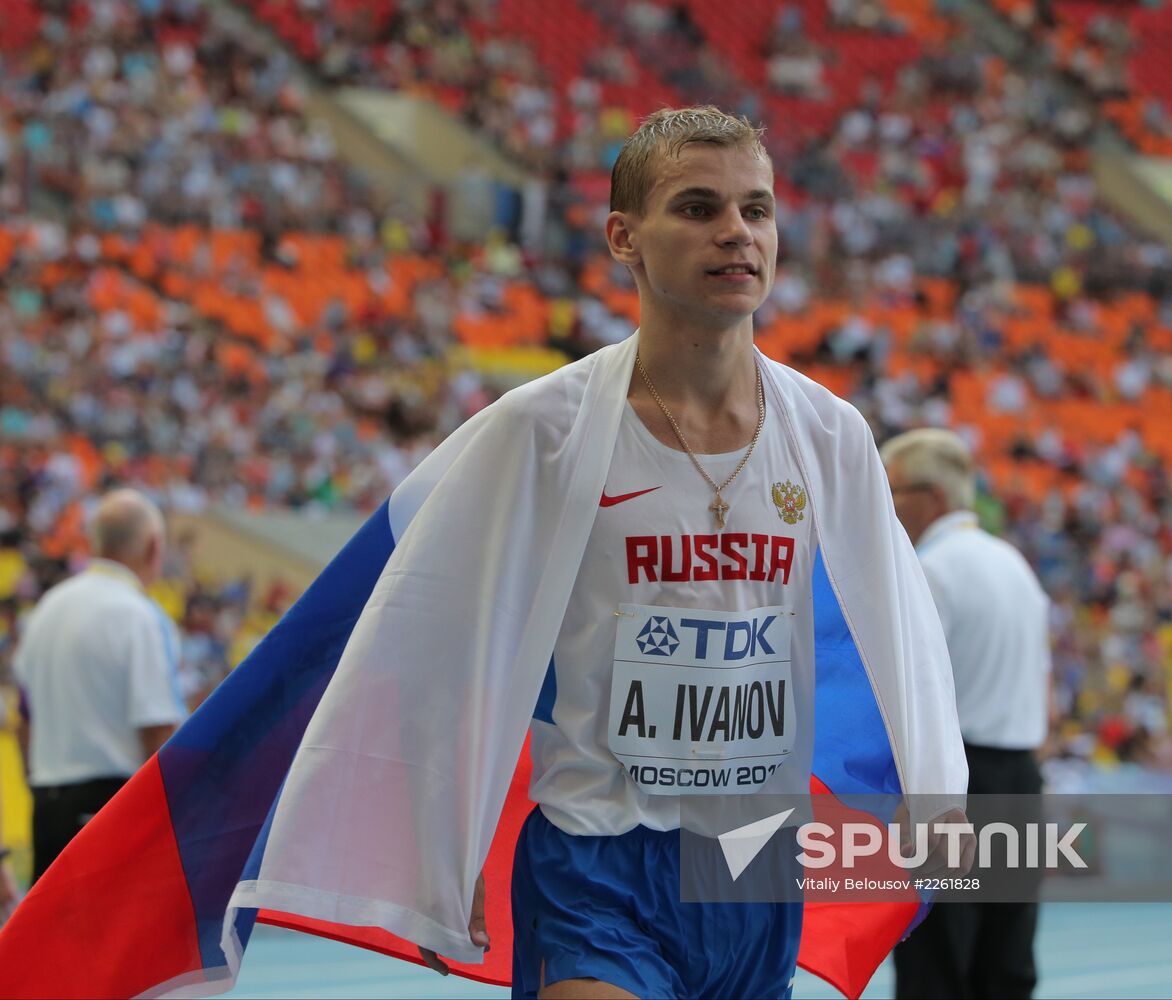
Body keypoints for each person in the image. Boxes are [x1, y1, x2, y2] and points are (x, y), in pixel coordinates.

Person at [0, 108, 971, 999]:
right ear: (622, 237)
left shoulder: (828, 434)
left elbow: (897, 637)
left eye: (755, 209)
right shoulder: (540, 433)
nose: (737, 233)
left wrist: (934, 809)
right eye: (698, 207)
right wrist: (441, 848)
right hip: (599, 861)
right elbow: (427, 631)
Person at [881, 429, 1051, 1000]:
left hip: (955, 782)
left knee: (936, 964)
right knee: (1005, 961)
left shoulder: (929, 568)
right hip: (1020, 779)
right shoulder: (1015, 566)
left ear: (931, 498)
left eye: (892, 491)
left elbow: (914, 694)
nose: (884, 505)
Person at [13, 488, 185, 881]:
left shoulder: (47, 609)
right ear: (154, 547)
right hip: (112, 807)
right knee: (121, 941)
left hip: (48, 805)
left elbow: (24, 716)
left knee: (57, 939)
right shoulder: (139, 615)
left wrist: (41, 784)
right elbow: (157, 730)